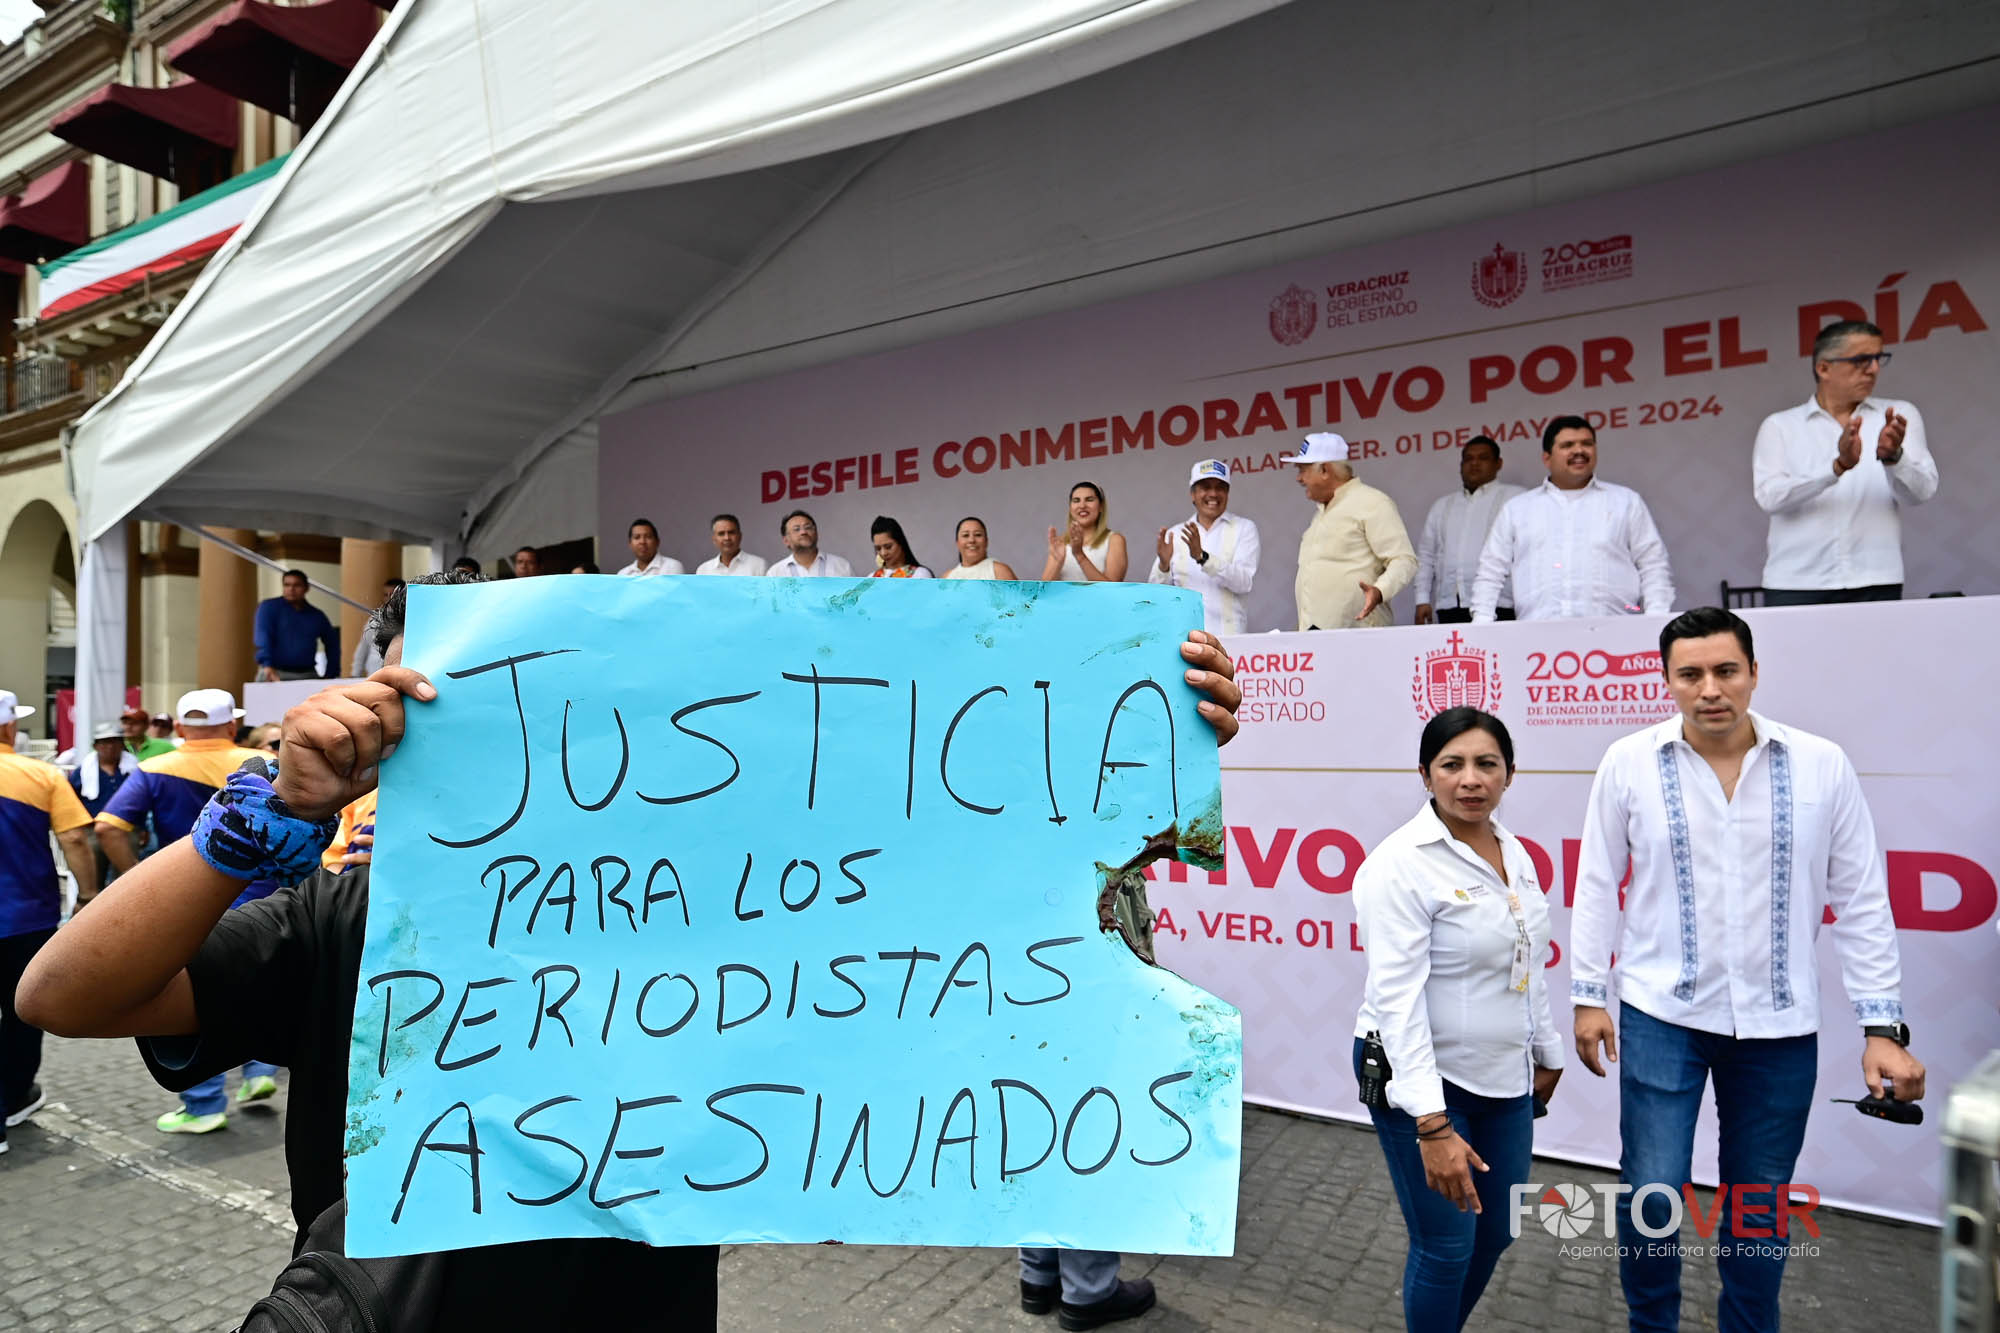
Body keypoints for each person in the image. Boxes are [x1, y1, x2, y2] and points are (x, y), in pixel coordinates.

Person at [19, 574, 1243, 1328]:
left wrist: (1131, 728)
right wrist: (260, 822)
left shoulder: (735, 934)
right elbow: (62, 993)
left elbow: (955, 909)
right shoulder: (344, 921)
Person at [1569, 607, 1923, 1333]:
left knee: (1758, 1201)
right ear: (1666, 680)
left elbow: (1860, 899)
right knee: (1653, 1193)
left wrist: (1881, 1025)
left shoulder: (1821, 764)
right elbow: (1597, 883)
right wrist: (1585, 995)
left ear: (1754, 672)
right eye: (1690, 673)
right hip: (1661, 1013)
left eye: (1726, 670)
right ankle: (1651, 1325)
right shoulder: (1629, 761)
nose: (1710, 689)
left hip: (1780, 1025)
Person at [1351, 706, 1561, 1331]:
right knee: (1445, 1249)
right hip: (1424, 1086)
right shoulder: (1400, 863)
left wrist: (1546, 1048)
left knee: (1496, 1234)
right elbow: (1398, 1000)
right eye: (1453, 765)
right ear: (1426, 774)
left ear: (1509, 775)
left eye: (1487, 764)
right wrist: (1432, 1123)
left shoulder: (1511, 849)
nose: (1471, 780)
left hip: (1505, 1079)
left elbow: (1528, 957)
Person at [94, 688, 282, 1134]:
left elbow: (109, 827)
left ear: (179, 728)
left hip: (187, 906)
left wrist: (139, 879)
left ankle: (203, 1104)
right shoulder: (264, 762)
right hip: (268, 899)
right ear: (232, 725)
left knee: (191, 1000)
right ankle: (260, 1072)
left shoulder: (154, 768)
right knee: (266, 983)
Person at [1753, 320, 1939, 604]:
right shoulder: (1779, 426)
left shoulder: (1898, 415)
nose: (1874, 369)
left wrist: (1894, 457)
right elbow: (1770, 498)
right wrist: (1835, 468)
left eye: (1878, 358)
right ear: (1823, 368)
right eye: (1861, 360)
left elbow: (1921, 493)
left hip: (1876, 579)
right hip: (1796, 581)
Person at [1, 688, 98, 1157]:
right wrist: (90, 895)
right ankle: (12, 1100)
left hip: (24, 916)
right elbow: (76, 839)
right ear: (8, 729)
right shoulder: (38, 775)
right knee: (20, 1015)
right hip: (24, 919)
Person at [1469, 417, 1674, 622]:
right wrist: (1482, 623)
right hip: (1537, 636)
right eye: (1567, 445)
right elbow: (1491, 570)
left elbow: (1652, 563)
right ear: (1547, 458)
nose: (1579, 451)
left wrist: (1656, 619)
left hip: (1615, 633)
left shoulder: (1625, 502)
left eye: (1587, 443)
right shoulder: (1518, 509)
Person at [1280, 433, 1416, 629]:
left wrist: (1379, 591)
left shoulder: (1372, 502)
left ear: (1325, 470)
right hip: (1317, 637)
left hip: (1359, 638)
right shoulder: (1321, 513)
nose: (1299, 478)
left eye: (1303, 470)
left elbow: (1404, 560)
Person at [1414, 437, 1524, 624]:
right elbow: (1426, 556)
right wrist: (1422, 599)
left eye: (1483, 458)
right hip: (1450, 605)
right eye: (1468, 458)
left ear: (1498, 463)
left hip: (1501, 603)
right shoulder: (1442, 506)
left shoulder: (1516, 498)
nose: (1474, 463)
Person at [1148, 459, 1261, 636]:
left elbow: (1244, 583)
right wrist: (1163, 566)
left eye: (1220, 488)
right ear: (1192, 494)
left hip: (1230, 638)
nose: (1213, 494)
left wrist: (1203, 557)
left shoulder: (1244, 528)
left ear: (1228, 493)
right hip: (1185, 638)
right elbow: (1155, 594)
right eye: (1205, 487)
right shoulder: (1175, 534)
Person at [254, 569, 339, 682]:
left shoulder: (317, 615)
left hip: (308, 674)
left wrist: (330, 674)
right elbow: (263, 636)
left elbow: (332, 644)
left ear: (306, 588)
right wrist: (267, 665)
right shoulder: (268, 608)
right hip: (274, 673)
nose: (291, 589)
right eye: (287, 585)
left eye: (297, 585)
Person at [1040, 481, 1129, 583]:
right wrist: (1058, 562)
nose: (1082, 505)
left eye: (1089, 500)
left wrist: (1079, 555)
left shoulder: (1114, 539)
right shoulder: (1060, 543)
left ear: (1101, 507)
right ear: (1070, 508)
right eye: (1076, 501)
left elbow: (1112, 590)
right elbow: (1043, 591)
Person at [767, 510, 854, 578]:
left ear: (816, 533)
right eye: (796, 529)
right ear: (786, 540)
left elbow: (857, 598)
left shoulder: (842, 566)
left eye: (808, 527)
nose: (803, 532)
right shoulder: (775, 573)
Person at [349, 578, 406, 676]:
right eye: (385, 595)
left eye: (393, 594)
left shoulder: (408, 620)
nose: (389, 598)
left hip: (398, 674)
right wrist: (355, 673)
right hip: (374, 673)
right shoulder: (374, 619)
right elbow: (363, 648)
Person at [941, 516, 1015, 581]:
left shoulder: (999, 570)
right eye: (965, 535)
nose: (971, 540)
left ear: (986, 541)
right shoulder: (947, 577)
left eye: (978, 535)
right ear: (957, 542)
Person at [695, 513, 768, 577]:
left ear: (740, 536)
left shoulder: (758, 565)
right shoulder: (703, 570)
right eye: (721, 534)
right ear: (714, 539)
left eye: (731, 532)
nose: (727, 538)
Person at [867, 516, 933, 578]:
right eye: (878, 548)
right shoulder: (871, 578)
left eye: (888, 547)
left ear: (900, 542)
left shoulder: (920, 574)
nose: (883, 553)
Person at [616, 518, 683, 577]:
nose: (642, 542)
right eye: (637, 537)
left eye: (648, 536)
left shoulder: (673, 567)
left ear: (657, 542)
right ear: (630, 544)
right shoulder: (623, 574)